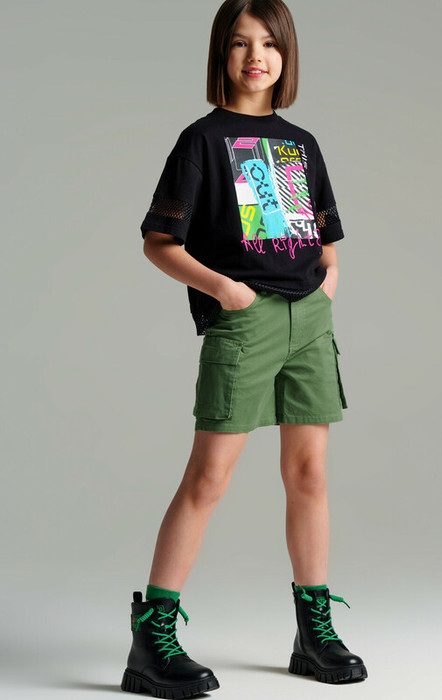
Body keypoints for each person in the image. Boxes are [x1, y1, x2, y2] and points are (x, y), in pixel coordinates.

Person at [121, 0, 368, 696]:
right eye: (239, 43)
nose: (255, 56)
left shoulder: (300, 145)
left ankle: (313, 632)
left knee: (309, 475)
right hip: (246, 319)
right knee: (209, 478)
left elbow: (325, 238)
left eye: (269, 44)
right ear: (220, 54)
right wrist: (225, 291)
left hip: (309, 321)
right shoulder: (201, 141)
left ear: (286, 55)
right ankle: (151, 640)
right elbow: (159, 242)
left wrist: (326, 288)